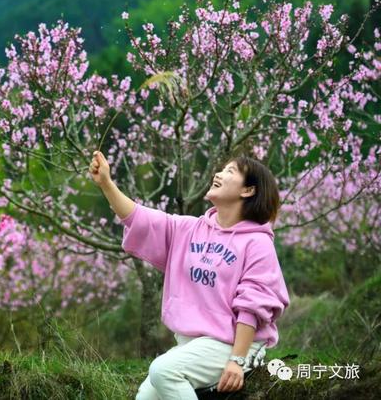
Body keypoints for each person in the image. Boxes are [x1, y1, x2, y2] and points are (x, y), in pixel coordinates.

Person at [89, 150, 290, 399]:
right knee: (145, 397)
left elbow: (253, 305)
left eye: (230, 171)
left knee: (162, 371)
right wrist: (107, 184)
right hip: (193, 345)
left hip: (235, 344)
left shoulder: (257, 242)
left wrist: (237, 360)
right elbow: (138, 217)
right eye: (222, 169)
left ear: (248, 191)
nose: (218, 173)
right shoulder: (189, 229)